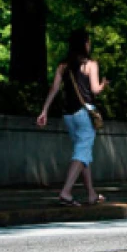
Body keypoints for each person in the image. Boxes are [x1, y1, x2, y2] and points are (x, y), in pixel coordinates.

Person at [37, 29, 108, 206]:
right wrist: (103, 85)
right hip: (85, 114)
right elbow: (94, 90)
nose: (89, 44)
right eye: (88, 42)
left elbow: (54, 89)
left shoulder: (63, 66)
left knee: (83, 152)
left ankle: (91, 193)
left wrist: (44, 110)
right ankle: (66, 192)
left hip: (68, 115)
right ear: (84, 44)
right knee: (82, 152)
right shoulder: (91, 64)